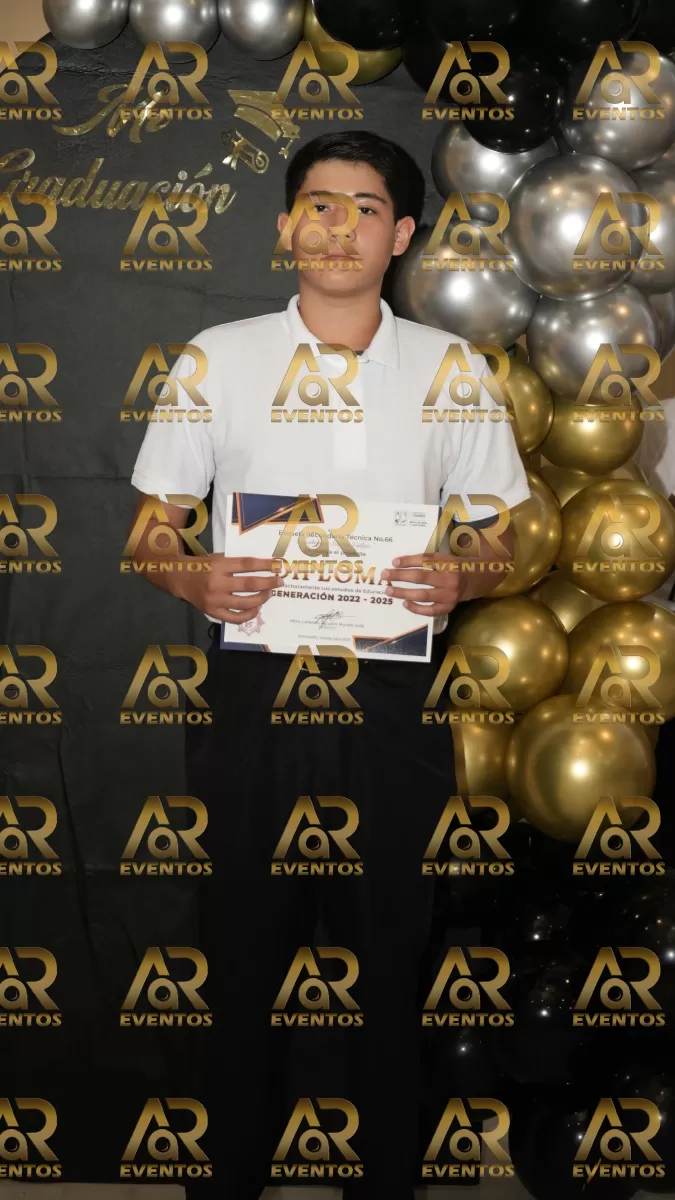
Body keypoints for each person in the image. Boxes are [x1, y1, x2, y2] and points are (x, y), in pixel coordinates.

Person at [127, 130, 530, 1199]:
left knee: (389, 968)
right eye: (318, 203)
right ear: (283, 225)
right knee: (241, 962)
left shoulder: (452, 369)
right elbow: (149, 533)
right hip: (252, 692)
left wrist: (463, 576)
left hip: (394, 700)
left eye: (365, 207)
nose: (338, 225)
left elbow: (505, 540)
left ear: (401, 235)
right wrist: (194, 580)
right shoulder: (217, 356)